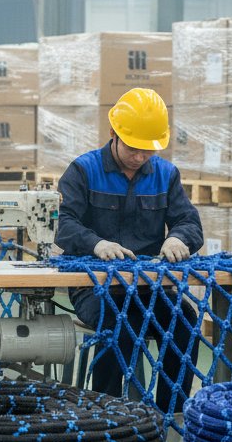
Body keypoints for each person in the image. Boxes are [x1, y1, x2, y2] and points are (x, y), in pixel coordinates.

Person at [54, 87, 203, 412]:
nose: (139, 157)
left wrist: (178, 238)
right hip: (94, 288)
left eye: (147, 150)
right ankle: (105, 417)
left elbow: (189, 221)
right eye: (133, 148)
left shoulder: (166, 175)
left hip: (150, 287)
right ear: (113, 134)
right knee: (122, 327)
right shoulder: (83, 170)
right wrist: (97, 244)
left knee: (184, 322)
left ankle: (170, 418)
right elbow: (62, 223)